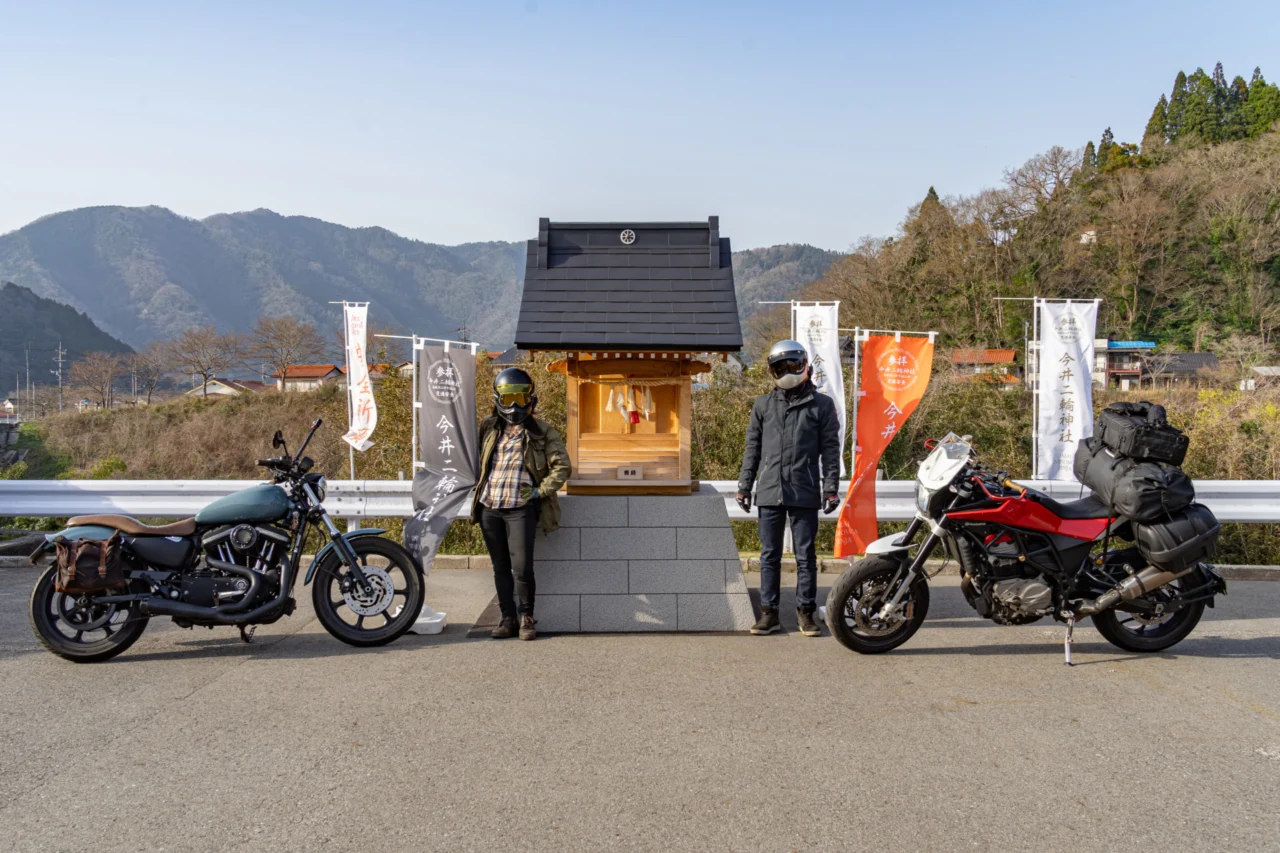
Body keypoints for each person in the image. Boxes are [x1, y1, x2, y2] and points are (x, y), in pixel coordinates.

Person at [737, 340, 841, 636]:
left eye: (792, 365)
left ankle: (806, 613)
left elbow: (831, 451)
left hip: (805, 488)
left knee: (805, 556)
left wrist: (830, 488)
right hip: (770, 488)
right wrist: (745, 486)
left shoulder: (822, 405)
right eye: (779, 367)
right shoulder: (762, 405)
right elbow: (752, 450)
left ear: (805, 365)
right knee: (769, 554)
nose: (787, 372)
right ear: (772, 371)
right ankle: (769, 614)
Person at [472, 367, 572, 641]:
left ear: (531, 398)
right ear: (497, 399)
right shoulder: (488, 427)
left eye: (520, 397)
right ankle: (507, 618)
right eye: (507, 399)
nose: (514, 405)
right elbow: (471, 459)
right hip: (489, 506)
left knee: (523, 567)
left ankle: (527, 617)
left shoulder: (542, 430)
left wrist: (540, 491)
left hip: (520, 507)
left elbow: (562, 467)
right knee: (500, 566)